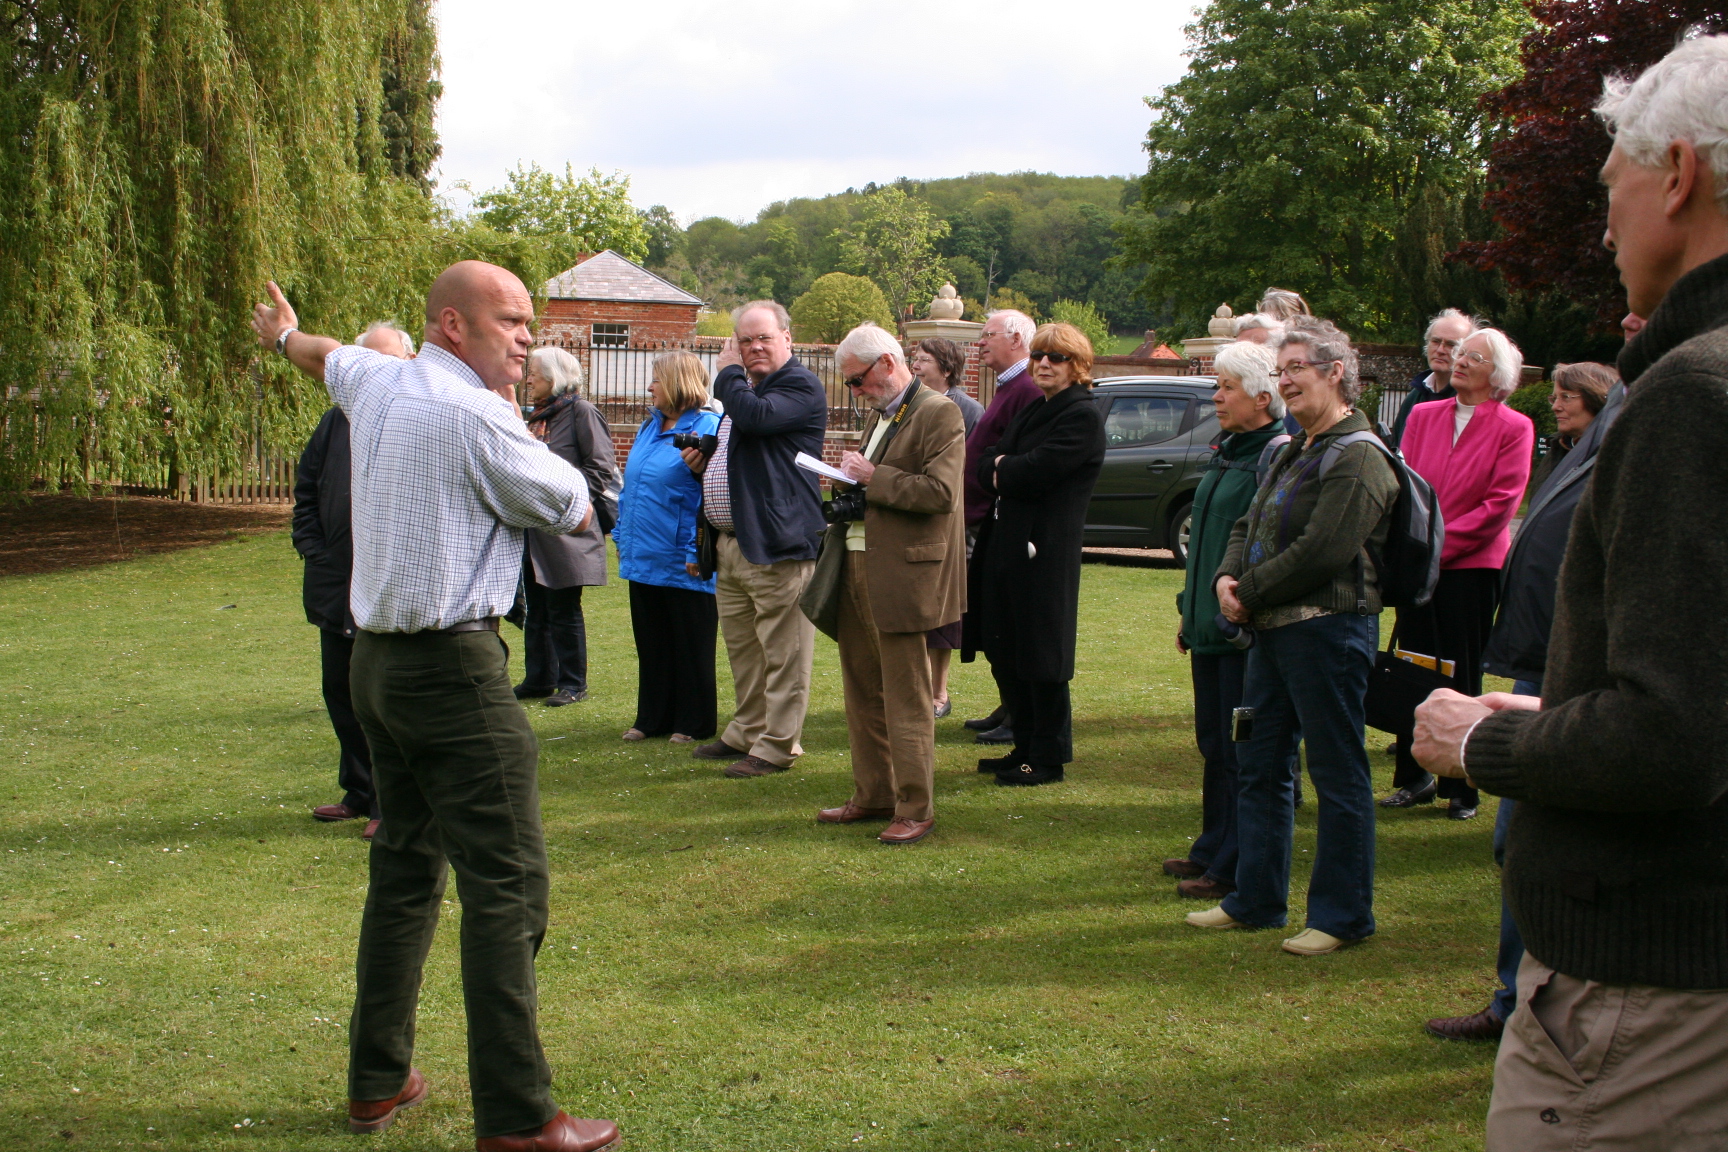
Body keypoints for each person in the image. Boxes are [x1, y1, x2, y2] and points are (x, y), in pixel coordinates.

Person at [1415, 37, 1728, 1149]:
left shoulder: (1694, 393)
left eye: (1614, 187)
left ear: (1679, 175)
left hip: (1652, 984)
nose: (1604, 224)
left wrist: (1482, 745)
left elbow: (1673, 739)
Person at [249, 262, 618, 1152]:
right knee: (509, 885)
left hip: (375, 666)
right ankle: (520, 1115)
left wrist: (281, 339)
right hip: (451, 671)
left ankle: (377, 1080)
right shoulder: (473, 415)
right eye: (512, 320)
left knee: (406, 868)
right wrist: (570, 485)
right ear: (453, 325)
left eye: (531, 321)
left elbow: (324, 356)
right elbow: (572, 506)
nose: (529, 336)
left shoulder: (381, 379)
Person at [1423, 363, 1622, 1044]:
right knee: (1520, 843)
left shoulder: (1617, 451)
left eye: (1569, 395)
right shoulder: (1583, 456)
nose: (1558, 403)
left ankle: (1530, 1003)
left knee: (1527, 837)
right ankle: (1520, 998)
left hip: (1566, 677)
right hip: (1543, 664)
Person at [1188, 317, 1399, 956]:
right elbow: (1246, 524)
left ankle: (1341, 916)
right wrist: (1227, 575)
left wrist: (1243, 594)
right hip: (1272, 638)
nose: (1285, 382)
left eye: (1296, 369)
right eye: (1280, 371)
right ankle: (1255, 899)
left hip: (1330, 635)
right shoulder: (1289, 448)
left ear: (1337, 373)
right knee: (1259, 765)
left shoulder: (1360, 455)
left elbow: (1324, 551)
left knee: (1337, 774)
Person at [816, 324, 967, 844]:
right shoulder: (885, 413)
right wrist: (850, 479)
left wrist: (870, 477)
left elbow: (942, 493)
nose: (855, 392)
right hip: (859, 563)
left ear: (885, 362)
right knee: (861, 692)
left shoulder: (938, 411)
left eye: (857, 381)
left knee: (906, 697)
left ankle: (915, 806)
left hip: (906, 575)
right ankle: (874, 794)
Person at [1381, 327, 1533, 820]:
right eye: (1461, 353)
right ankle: (1411, 777)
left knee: (1461, 670)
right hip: (1420, 564)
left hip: (1470, 568)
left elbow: (1499, 506)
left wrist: (1437, 547)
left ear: (1499, 375)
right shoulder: (1423, 414)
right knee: (1412, 666)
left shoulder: (1515, 427)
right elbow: (1404, 486)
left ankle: (1462, 786)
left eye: (1476, 357)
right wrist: (1416, 549)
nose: (1462, 361)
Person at [1164, 339, 1287, 900]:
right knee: (1213, 743)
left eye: (1227, 387)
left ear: (1263, 397)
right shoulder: (1229, 449)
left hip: (1240, 634)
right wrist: (1189, 613)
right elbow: (1209, 544)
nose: (1216, 397)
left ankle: (1233, 862)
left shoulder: (1273, 454)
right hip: (1208, 627)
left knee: (1242, 750)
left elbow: (1256, 546)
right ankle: (1213, 845)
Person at [686, 300, 827, 778]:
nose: (753, 348)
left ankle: (779, 744)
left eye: (763, 337)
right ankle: (748, 728)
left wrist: (726, 374)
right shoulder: (748, 394)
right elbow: (748, 445)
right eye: (744, 341)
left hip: (778, 544)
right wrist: (707, 457)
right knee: (744, 649)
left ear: (788, 338)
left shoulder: (799, 385)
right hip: (734, 544)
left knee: (784, 651)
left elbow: (758, 420)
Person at [293, 322, 414, 842]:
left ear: (410, 361)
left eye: (390, 361)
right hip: (334, 583)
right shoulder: (334, 422)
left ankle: (393, 804)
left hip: (388, 585)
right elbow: (307, 493)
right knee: (340, 692)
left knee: (384, 701)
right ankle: (359, 791)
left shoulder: (414, 420)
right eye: (370, 362)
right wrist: (315, 551)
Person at [974, 322, 1106, 786]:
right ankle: (1023, 747)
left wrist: (1005, 467)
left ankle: (1047, 758)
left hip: (1045, 553)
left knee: (1042, 656)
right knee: (1007, 648)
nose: (1044, 364)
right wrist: (1005, 466)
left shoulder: (1081, 415)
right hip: (1008, 544)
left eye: (1056, 357)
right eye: (1038, 356)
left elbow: (1033, 470)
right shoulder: (1038, 409)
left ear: (1079, 365)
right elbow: (986, 459)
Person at [615, 351, 721, 745]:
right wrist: (622, 536)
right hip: (644, 554)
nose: (649, 387)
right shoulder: (650, 427)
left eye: (656, 379)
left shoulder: (708, 427)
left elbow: (709, 496)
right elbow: (633, 487)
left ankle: (693, 722)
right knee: (652, 641)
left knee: (690, 643)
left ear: (676, 382)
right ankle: (652, 718)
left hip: (682, 556)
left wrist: (697, 552)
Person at [516, 346, 618, 707]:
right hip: (533, 528)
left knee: (563, 607)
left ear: (554, 377)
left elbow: (602, 469)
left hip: (567, 528)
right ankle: (539, 678)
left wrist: (568, 502)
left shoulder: (581, 412)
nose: (528, 379)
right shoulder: (536, 417)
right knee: (537, 609)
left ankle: (573, 683)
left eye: (534, 373)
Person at [960, 309, 1043, 745]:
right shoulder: (1010, 386)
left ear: (1015, 338)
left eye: (988, 334)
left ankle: (1018, 710)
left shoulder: (1025, 388)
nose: (980, 343)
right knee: (989, 620)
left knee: (1002, 621)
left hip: (990, 519)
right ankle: (1008, 703)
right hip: (979, 515)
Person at [910, 336, 977, 717]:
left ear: (947, 368)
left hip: (953, 527)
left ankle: (939, 694)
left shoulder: (967, 410)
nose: (916, 365)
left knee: (944, 615)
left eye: (924, 360)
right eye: (914, 359)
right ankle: (915, 689)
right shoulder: (909, 405)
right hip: (914, 521)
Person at [1387, 308, 1479, 449]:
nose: (1440, 350)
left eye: (1451, 345)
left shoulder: (1472, 401)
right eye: (1436, 341)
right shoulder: (1414, 397)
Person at [1524, 361, 1617, 494]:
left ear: (1595, 398)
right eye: (1554, 398)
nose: (1555, 407)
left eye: (1566, 397)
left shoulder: (1615, 457)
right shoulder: (1557, 450)